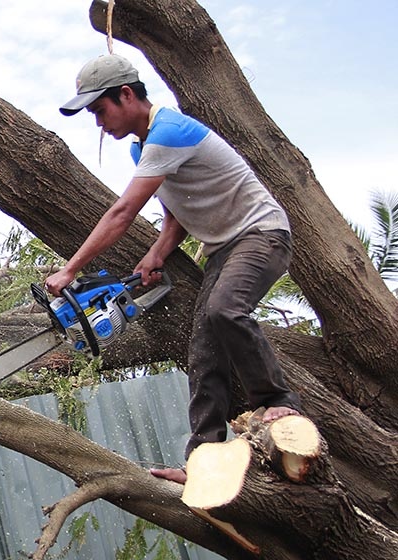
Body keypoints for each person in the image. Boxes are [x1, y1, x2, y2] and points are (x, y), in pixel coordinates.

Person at [46, 54, 302, 484]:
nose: (97, 123)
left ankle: (279, 398)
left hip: (262, 234)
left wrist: (71, 269)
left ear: (126, 95)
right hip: (224, 248)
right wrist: (158, 251)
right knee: (203, 347)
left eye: (99, 110)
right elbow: (178, 208)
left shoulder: (168, 131)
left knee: (224, 310)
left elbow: (123, 212)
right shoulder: (141, 146)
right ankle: (203, 462)